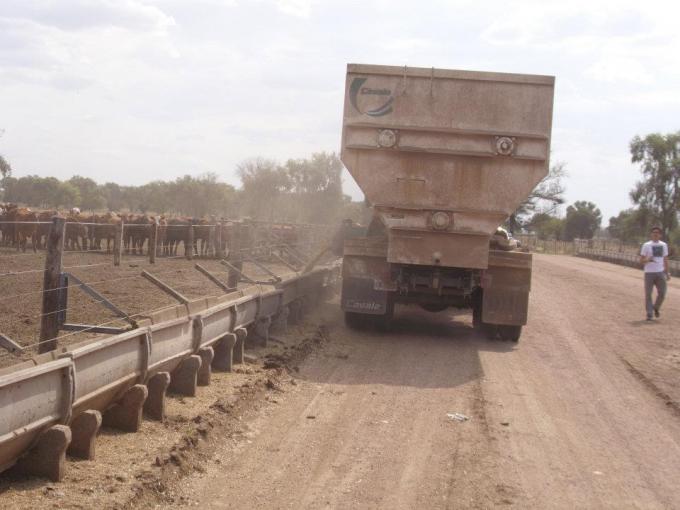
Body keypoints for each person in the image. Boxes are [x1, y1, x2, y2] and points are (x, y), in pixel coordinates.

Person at [640, 226, 671, 320]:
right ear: (651, 234)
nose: (655, 234)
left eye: (657, 232)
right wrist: (648, 259)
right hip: (649, 273)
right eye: (654, 232)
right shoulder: (646, 245)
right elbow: (641, 260)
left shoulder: (663, 245)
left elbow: (665, 259)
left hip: (660, 272)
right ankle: (649, 314)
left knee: (662, 293)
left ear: (660, 235)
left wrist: (667, 272)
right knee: (648, 294)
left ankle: (656, 307)